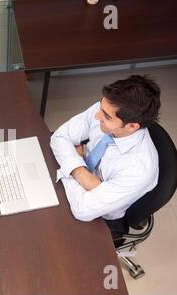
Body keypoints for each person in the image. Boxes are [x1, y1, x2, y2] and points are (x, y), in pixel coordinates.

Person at [50, 74, 161, 235]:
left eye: (106, 117)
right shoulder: (107, 107)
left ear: (131, 127)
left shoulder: (138, 168)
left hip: (100, 219)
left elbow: (82, 210)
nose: (97, 116)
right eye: (101, 108)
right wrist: (82, 172)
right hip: (76, 188)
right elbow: (59, 137)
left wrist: (74, 166)